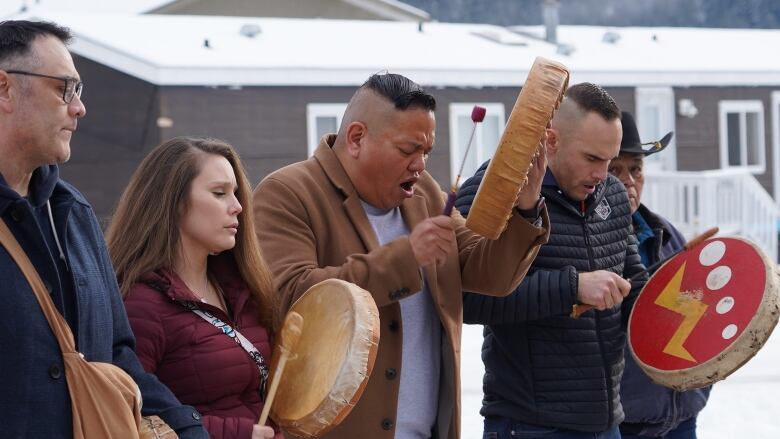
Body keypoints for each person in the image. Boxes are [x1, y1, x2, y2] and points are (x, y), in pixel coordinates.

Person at [252, 73, 549, 439]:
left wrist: (525, 209)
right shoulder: (288, 192)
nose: (420, 165)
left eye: (426, 152)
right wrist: (406, 258)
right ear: (357, 138)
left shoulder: (423, 193)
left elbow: (489, 274)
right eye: (408, 150)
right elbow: (290, 296)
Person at [0, 20, 207, 437]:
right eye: (65, 88)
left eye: (79, 91)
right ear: (4, 88)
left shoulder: (73, 214)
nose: (79, 108)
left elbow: (116, 353)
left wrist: (188, 427)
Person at [455, 83, 648, 439]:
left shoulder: (614, 196)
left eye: (611, 159)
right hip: (529, 424)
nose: (604, 174)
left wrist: (672, 301)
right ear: (551, 140)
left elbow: (633, 276)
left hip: (607, 423)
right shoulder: (493, 191)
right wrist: (573, 287)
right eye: (592, 159)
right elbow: (468, 299)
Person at [106, 137, 280, 439]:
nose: (237, 207)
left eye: (235, 193)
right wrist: (237, 433)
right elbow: (129, 412)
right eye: (219, 193)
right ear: (173, 202)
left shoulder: (242, 290)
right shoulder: (140, 305)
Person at [610, 111, 711, 439]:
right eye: (615, 170)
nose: (628, 180)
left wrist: (700, 386)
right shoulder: (588, 239)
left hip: (681, 415)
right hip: (624, 421)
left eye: (636, 169)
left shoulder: (668, 234)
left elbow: (699, 311)